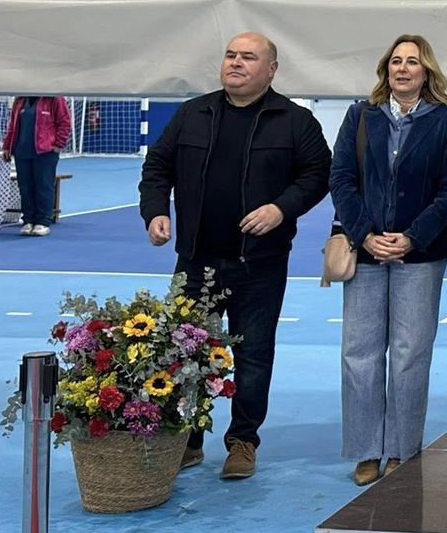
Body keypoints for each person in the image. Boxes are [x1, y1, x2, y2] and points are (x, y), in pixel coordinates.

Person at [138, 33, 332, 480]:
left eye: (249, 57)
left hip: (259, 264)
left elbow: (317, 174)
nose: (237, 63)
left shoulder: (295, 121)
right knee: (186, 354)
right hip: (195, 261)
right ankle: (187, 439)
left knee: (254, 356)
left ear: (271, 69)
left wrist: (281, 207)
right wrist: (154, 213)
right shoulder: (193, 113)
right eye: (231, 55)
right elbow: (158, 168)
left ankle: (243, 441)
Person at [329, 34, 447, 486]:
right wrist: (365, 235)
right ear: (385, 70)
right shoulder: (359, 116)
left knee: (410, 354)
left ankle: (404, 449)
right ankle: (368, 450)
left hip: (421, 253)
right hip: (365, 252)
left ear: (427, 71)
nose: (403, 69)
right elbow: (342, 180)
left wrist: (411, 237)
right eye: (395, 62)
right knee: (360, 354)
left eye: (412, 62)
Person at [2, 95, 72, 236]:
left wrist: (58, 144)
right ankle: (28, 220)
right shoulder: (20, 100)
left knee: (43, 186)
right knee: (25, 187)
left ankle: (43, 221)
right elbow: (13, 126)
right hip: (22, 151)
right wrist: (7, 145)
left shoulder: (54, 99)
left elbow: (65, 122)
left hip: (45, 151)